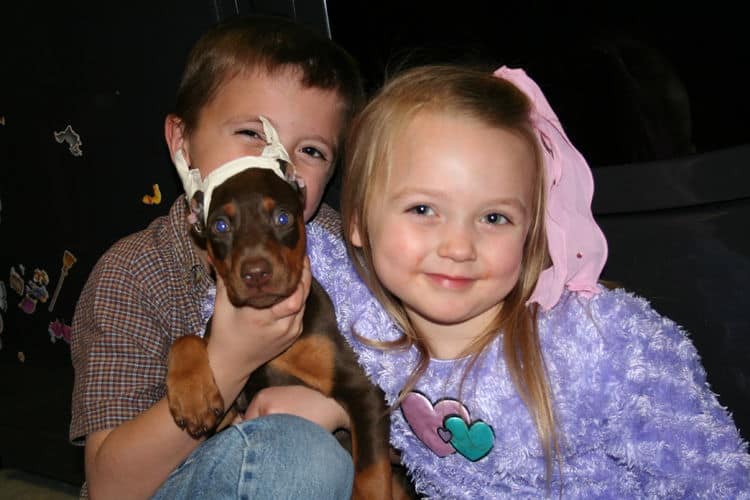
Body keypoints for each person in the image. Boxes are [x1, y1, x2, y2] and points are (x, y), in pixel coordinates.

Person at [300, 64, 750, 497]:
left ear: (531, 232)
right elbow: (253, 243)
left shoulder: (599, 345)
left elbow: (719, 480)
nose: (459, 247)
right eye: (423, 209)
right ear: (357, 221)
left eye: (494, 217)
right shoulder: (365, 311)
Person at [69, 15, 364, 499]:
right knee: (295, 453)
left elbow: (414, 394)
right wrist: (227, 362)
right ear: (182, 143)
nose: (276, 164)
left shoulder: (342, 251)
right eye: (252, 133)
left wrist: (338, 409)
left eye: (309, 149)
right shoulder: (135, 274)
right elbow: (110, 487)